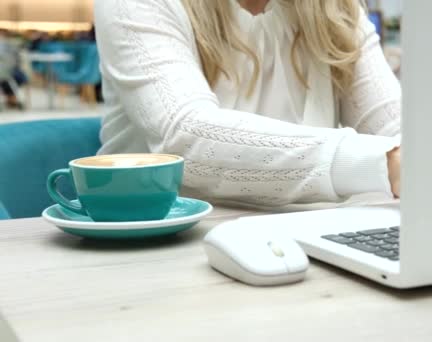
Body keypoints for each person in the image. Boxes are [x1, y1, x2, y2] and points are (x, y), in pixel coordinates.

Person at [95, 0, 401, 207]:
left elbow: (394, 125)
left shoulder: (335, 10)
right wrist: (383, 162)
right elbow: (185, 138)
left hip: (301, 243)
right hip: (159, 250)